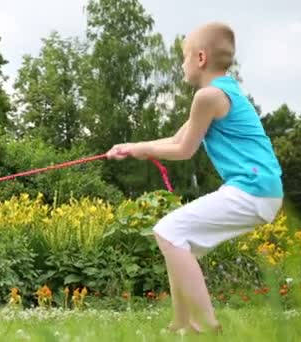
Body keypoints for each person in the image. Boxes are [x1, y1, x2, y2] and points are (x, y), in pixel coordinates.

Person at [107, 22, 283, 333]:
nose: (181, 64)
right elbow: (177, 138)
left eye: (184, 57)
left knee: (168, 231)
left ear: (200, 58)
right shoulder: (222, 92)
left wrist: (139, 149)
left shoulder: (208, 97)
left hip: (252, 189)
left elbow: (184, 150)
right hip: (261, 190)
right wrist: (133, 148)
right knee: (177, 240)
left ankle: (206, 325)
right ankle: (181, 323)